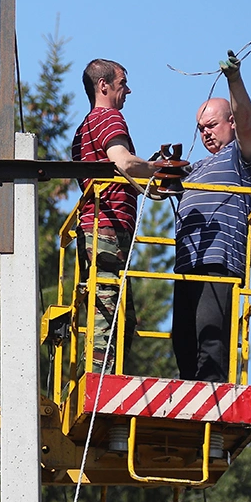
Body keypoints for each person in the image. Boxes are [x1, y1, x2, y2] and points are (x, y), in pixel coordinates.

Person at [172, 51, 251, 382]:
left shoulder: (242, 157)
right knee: (182, 341)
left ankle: (210, 397)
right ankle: (190, 399)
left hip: (219, 262)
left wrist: (234, 80)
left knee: (211, 336)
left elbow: (248, 119)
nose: (206, 133)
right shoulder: (195, 168)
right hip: (187, 264)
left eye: (211, 125)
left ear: (231, 123)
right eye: (201, 129)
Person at [71, 59, 160, 373]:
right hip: (107, 229)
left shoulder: (85, 127)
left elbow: (118, 173)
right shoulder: (109, 117)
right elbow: (123, 161)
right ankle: (100, 380)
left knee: (119, 311)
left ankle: (104, 375)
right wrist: (160, 170)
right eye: (123, 83)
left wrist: (149, 182)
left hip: (98, 227)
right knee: (109, 307)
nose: (128, 90)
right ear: (103, 86)